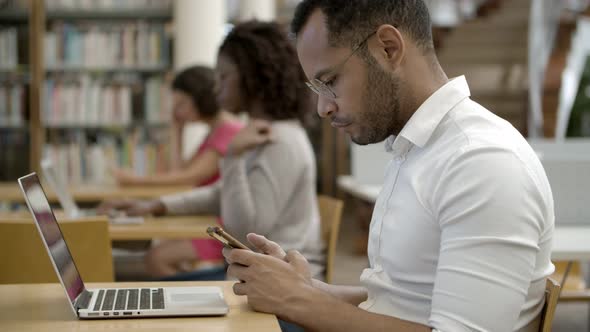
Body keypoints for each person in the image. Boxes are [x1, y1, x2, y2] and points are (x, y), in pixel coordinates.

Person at [223, 1, 555, 332]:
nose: (323, 107)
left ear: (388, 48)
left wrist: (297, 300)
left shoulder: (482, 162)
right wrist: (306, 289)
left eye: (330, 81)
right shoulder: (419, 148)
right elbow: (402, 299)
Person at [101, 21, 325, 280]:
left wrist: (232, 157)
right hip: (258, 276)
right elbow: (223, 193)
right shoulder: (262, 132)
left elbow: (245, 231)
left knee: (159, 286)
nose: (216, 88)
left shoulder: (278, 141)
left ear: (251, 76)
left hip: (277, 285)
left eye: (224, 77)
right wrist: (156, 205)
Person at [111, 65, 243, 187]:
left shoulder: (229, 131)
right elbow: (179, 171)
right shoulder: (214, 132)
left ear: (202, 98)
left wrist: (135, 181)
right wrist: (177, 130)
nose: (177, 112)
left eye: (181, 104)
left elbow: (188, 178)